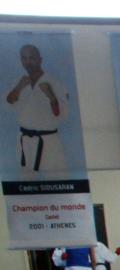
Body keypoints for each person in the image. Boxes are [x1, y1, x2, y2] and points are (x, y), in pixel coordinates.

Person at [6, 44, 70, 178]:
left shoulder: (54, 82)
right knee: (26, 182)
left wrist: (50, 95)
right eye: (24, 58)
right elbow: (9, 101)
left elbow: (61, 114)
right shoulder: (20, 81)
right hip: (25, 140)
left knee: (57, 181)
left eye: (31, 58)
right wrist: (19, 86)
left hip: (48, 140)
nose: (28, 62)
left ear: (40, 60)